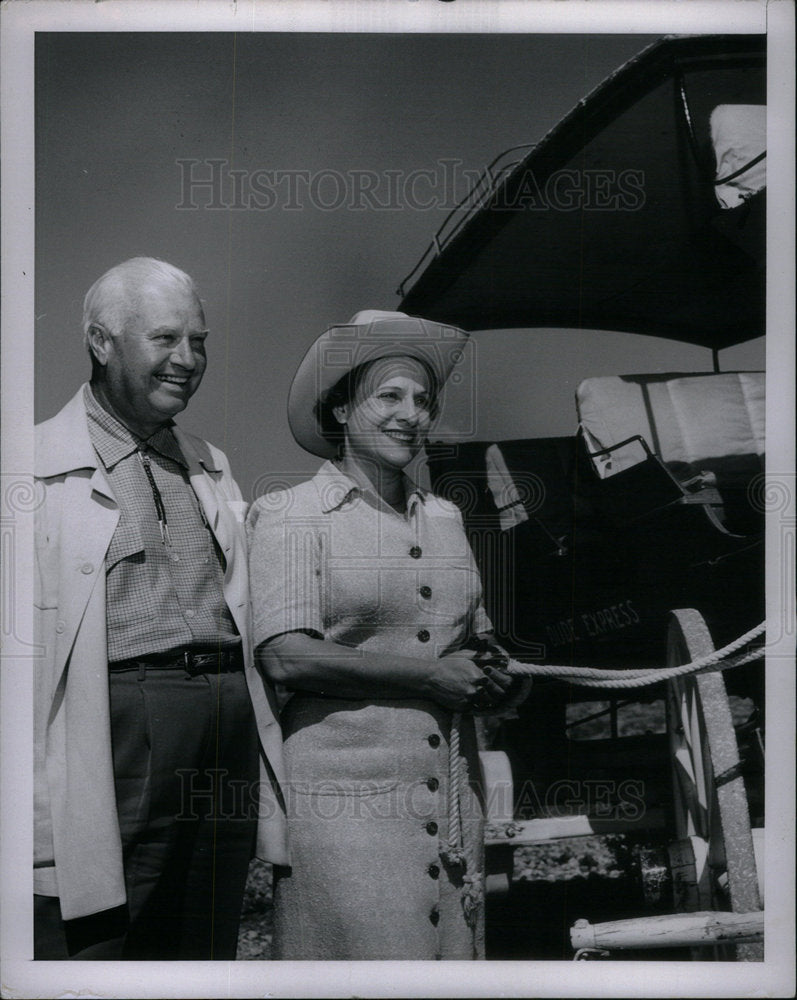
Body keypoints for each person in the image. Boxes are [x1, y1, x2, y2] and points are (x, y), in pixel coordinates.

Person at [247, 310, 524, 959]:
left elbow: (469, 647)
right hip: (346, 813)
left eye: (423, 401)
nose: (411, 415)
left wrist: (496, 679)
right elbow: (286, 656)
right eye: (389, 396)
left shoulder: (448, 518)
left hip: (453, 804)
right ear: (341, 410)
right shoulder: (290, 515)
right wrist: (431, 677)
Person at [33, 257, 288, 959]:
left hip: (225, 718)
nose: (187, 360)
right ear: (100, 341)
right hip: (122, 720)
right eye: (165, 339)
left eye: (198, 341)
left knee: (205, 935)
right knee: (105, 935)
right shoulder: (28, 468)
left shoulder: (209, 461)